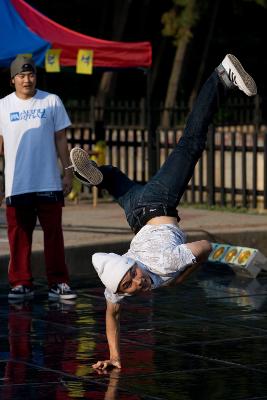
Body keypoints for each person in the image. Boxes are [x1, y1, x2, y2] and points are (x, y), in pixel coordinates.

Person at [69, 54, 257, 370]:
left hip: (159, 202)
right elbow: (111, 315)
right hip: (135, 214)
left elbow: (205, 247)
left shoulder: (166, 263)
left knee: (191, 143)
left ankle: (221, 75)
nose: (137, 285)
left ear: (131, 264)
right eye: (129, 286)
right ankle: (99, 175)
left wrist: (179, 278)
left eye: (133, 277)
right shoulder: (115, 287)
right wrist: (114, 357)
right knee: (115, 181)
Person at [0, 55, 77, 301]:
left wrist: (68, 172)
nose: (27, 80)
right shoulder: (3, 106)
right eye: (21, 76)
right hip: (17, 183)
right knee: (19, 235)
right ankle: (21, 283)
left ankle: (59, 283)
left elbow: (61, 139)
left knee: (53, 233)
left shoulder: (51, 101)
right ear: (12, 80)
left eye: (30, 74)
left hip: (48, 181)